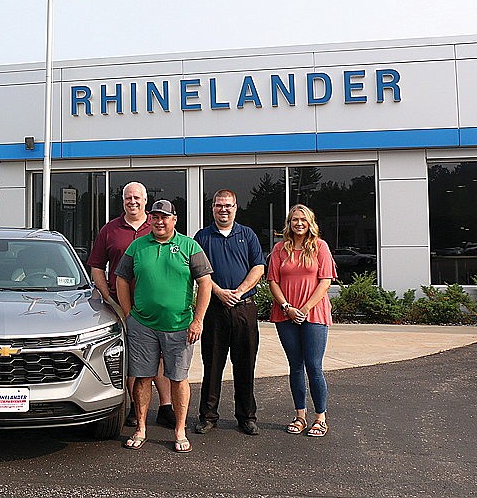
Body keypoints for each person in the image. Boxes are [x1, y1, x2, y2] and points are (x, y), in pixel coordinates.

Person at [115, 199, 213, 454]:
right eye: (156, 217)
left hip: (180, 326)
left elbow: (205, 283)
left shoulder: (189, 246)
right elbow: (121, 279)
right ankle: (141, 428)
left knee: (178, 379)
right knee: (142, 378)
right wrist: (129, 315)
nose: (160, 222)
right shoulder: (137, 247)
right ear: (151, 219)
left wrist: (198, 319)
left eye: (164, 217)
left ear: (174, 219)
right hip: (143, 326)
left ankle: (180, 430)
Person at [87, 182, 175, 427]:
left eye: (137, 197)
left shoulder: (158, 225)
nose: (132, 201)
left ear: (145, 200)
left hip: (154, 306)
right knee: (131, 358)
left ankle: (166, 406)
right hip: (120, 306)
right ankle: (137, 407)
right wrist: (108, 296)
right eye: (128, 197)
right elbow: (96, 265)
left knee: (158, 358)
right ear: (123, 200)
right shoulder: (110, 230)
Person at [193, 189, 266, 435]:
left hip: (244, 309)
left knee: (245, 364)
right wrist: (219, 292)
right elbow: (198, 273)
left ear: (236, 207)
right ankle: (208, 416)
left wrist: (240, 290)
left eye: (228, 205)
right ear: (212, 208)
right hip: (214, 309)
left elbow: (258, 267)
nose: (223, 209)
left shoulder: (248, 235)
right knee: (212, 365)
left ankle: (246, 416)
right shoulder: (202, 237)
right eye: (218, 205)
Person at [268, 204, 335, 438]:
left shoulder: (320, 247)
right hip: (286, 314)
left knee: (314, 366)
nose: (299, 224)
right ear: (289, 223)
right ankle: (300, 416)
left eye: (303, 220)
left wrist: (304, 308)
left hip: (313, 314)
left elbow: (325, 281)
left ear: (310, 223)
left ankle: (320, 418)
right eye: (295, 220)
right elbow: (273, 281)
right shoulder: (279, 249)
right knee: (295, 365)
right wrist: (287, 307)